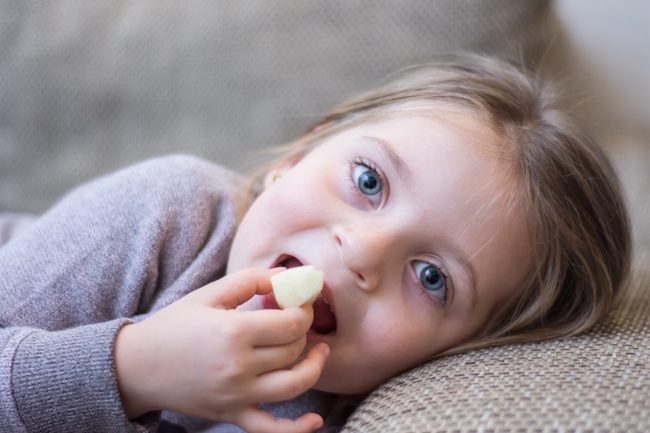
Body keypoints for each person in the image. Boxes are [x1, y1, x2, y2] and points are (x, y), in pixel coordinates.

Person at [0, 54, 631, 433]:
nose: (361, 252)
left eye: (432, 277)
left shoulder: (328, 408)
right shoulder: (168, 216)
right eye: (368, 180)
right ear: (299, 156)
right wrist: (132, 370)